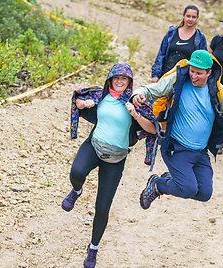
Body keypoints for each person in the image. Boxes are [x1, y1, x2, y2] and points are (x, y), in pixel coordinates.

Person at [61, 63, 156, 268]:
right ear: (110, 79)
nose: (120, 81)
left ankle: (93, 249)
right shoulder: (100, 95)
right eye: (116, 78)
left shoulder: (135, 103)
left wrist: (135, 115)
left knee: (102, 207)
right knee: (76, 172)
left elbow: (153, 129)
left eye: (124, 79)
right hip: (94, 146)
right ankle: (76, 191)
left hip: (116, 158)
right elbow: (77, 99)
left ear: (130, 82)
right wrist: (83, 104)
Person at [132, 50, 223, 209]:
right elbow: (154, 89)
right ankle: (158, 184)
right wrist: (140, 93)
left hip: (200, 152)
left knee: (204, 193)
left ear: (209, 72)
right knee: (187, 188)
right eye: (192, 71)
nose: (193, 76)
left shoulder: (218, 91)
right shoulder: (178, 81)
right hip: (176, 148)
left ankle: (169, 180)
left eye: (199, 73)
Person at [151, 4, 207, 83]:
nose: (190, 19)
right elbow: (161, 54)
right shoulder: (172, 32)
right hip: (165, 76)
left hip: (185, 80)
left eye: (193, 17)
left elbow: (202, 62)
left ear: (197, 18)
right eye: (188, 16)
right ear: (183, 16)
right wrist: (155, 75)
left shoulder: (200, 38)